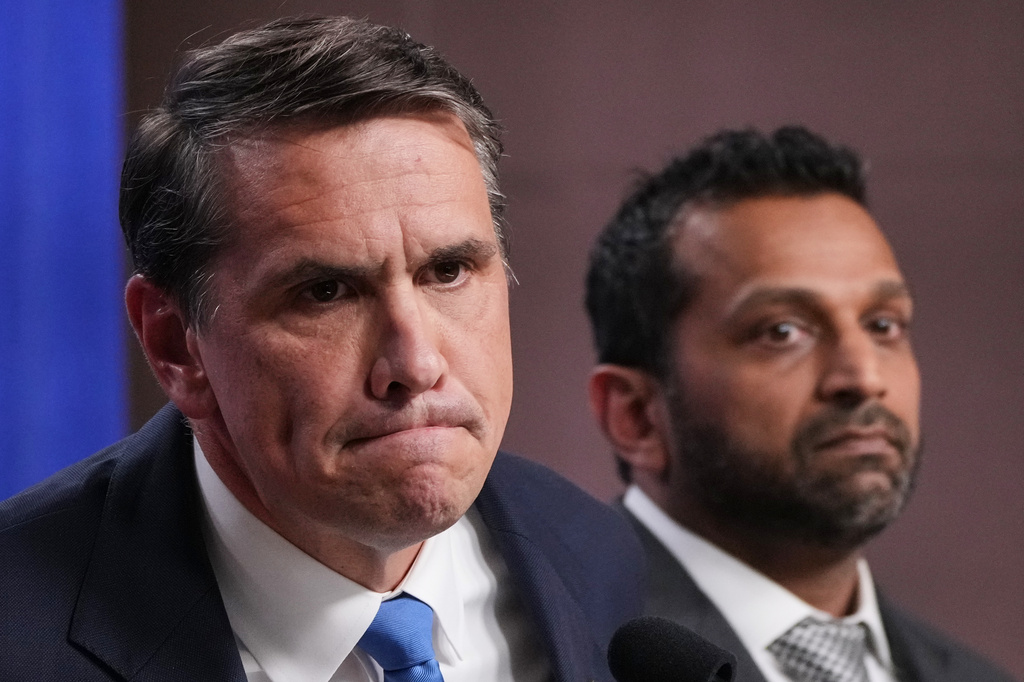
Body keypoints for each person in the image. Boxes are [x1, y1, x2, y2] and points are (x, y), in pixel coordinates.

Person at [0, 16, 643, 681]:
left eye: (447, 271)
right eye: (327, 292)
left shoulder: (597, 556)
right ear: (175, 345)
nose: (416, 365)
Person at [585, 126, 1016, 682]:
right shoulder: (550, 650)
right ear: (637, 415)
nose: (862, 377)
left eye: (883, 325)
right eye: (782, 331)